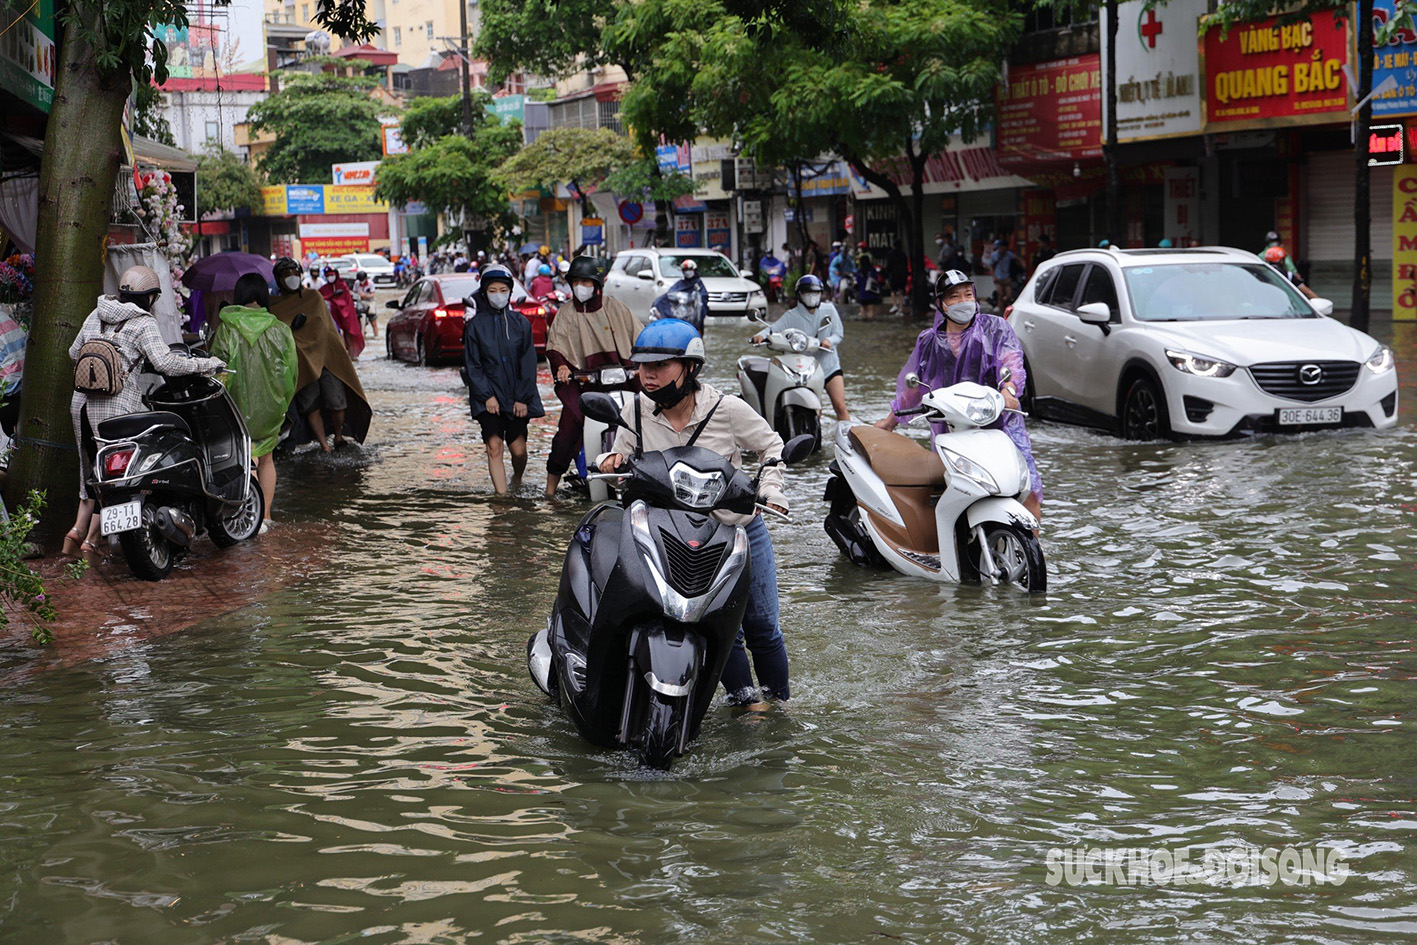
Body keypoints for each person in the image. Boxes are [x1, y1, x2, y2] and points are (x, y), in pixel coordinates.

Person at [597, 319, 792, 708]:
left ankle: (780, 706)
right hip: (671, 536)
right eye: (642, 366)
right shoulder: (635, 411)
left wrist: (770, 490)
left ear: (689, 368)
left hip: (735, 531)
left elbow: (772, 445)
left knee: (763, 627)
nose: (647, 375)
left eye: (661, 365)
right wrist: (610, 462)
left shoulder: (727, 408)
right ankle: (746, 703)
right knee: (717, 627)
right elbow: (621, 468)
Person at [63, 266, 224, 556]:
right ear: (149, 297)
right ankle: (90, 542)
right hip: (117, 409)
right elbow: (167, 364)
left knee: (88, 468)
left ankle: (75, 532)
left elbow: (74, 353)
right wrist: (206, 364)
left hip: (81, 404)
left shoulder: (97, 313)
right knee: (115, 477)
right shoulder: (142, 322)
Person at [875, 269, 1042, 524]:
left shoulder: (995, 328)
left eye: (967, 294)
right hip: (952, 429)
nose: (963, 301)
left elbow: (1012, 362)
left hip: (1000, 425)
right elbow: (914, 388)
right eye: (954, 296)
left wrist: (1009, 390)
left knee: (1027, 489)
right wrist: (890, 421)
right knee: (955, 493)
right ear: (941, 304)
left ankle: (1034, 551)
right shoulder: (930, 341)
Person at [543, 254, 642, 497]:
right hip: (584, 385)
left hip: (624, 380)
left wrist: (643, 364)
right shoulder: (565, 314)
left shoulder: (616, 308)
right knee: (568, 429)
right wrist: (563, 368)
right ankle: (549, 489)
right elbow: (556, 348)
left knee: (648, 418)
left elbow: (640, 338)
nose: (580, 287)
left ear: (597, 284)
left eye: (586, 282)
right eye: (576, 282)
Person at [209, 273, 298, 527]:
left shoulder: (226, 329)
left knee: (247, 460)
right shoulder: (281, 330)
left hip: (235, 407)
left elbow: (218, 371)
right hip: (271, 407)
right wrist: (281, 402)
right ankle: (266, 516)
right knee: (267, 457)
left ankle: (250, 518)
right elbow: (292, 372)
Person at [269, 257, 373, 453]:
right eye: (286, 274)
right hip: (301, 365)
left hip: (326, 360)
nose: (291, 278)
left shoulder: (313, 298)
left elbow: (324, 329)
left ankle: (339, 435)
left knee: (337, 402)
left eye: (294, 273)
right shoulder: (274, 305)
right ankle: (324, 445)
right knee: (311, 406)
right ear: (278, 279)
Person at [463, 264, 543, 494]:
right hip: (487, 396)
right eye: (492, 290)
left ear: (510, 292)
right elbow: (473, 365)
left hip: (517, 395)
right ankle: (502, 499)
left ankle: (516, 478)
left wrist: (522, 397)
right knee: (494, 447)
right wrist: (486, 395)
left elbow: (528, 365)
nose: (498, 294)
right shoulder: (475, 326)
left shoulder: (520, 324)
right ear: (485, 292)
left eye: (503, 290)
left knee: (518, 449)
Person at [754, 274, 850, 420]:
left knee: (840, 406)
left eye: (816, 292)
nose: (812, 296)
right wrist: (760, 335)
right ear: (799, 294)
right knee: (815, 410)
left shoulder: (829, 310)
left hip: (829, 366)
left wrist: (829, 341)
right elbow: (773, 329)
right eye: (807, 292)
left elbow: (839, 334)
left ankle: (850, 438)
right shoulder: (790, 316)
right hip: (807, 371)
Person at [649, 259, 709, 330]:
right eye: (685, 270)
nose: (687, 272)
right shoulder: (680, 284)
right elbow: (670, 294)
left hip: (692, 317)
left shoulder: (698, 284)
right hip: (679, 316)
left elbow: (703, 298)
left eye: (689, 269)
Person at [319, 265, 365, 359]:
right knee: (338, 334)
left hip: (346, 315)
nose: (330, 277)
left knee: (349, 333)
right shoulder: (324, 288)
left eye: (332, 275)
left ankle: (351, 356)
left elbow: (347, 302)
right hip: (333, 315)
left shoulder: (342, 286)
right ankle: (342, 356)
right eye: (328, 275)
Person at [986, 239, 1020, 310]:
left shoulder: (1009, 254)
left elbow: (1017, 258)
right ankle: (1000, 309)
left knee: (1009, 295)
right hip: (998, 278)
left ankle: (1003, 305)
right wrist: (994, 277)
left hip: (1007, 278)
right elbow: (990, 267)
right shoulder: (994, 256)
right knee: (1000, 294)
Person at [885, 239, 909, 315]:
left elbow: (888, 266)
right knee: (900, 291)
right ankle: (901, 308)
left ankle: (894, 304)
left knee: (893, 290)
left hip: (893, 275)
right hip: (902, 275)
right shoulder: (903, 254)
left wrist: (887, 274)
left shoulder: (890, 254)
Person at [353, 271, 379, 338]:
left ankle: (376, 335)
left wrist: (366, 296)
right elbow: (354, 292)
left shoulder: (370, 283)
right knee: (358, 318)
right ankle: (361, 334)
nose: (361, 282)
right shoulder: (357, 283)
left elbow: (373, 294)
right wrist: (359, 295)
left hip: (369, 302)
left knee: (373, 319)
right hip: (360, 302)